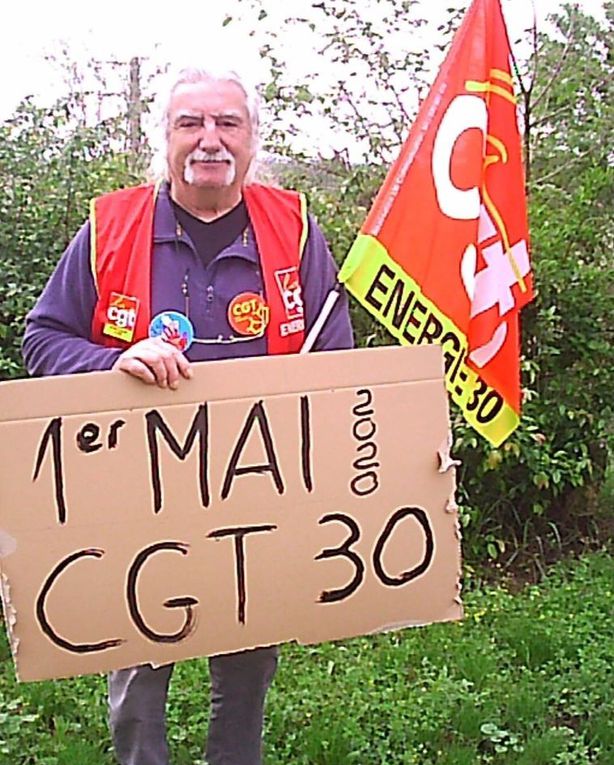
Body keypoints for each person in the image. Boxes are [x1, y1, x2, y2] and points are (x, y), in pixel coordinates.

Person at [22, 65, 353, 765]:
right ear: (165, 138)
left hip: (257, 502)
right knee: (138, 672)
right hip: (133, 505)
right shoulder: (108, 227)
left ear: (253, 138)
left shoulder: (293, 229)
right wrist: (110, 363)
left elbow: (337, 358)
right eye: (191, 124)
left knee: (248, 666)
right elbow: (42, 339)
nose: (210, 140)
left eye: (227, 123)